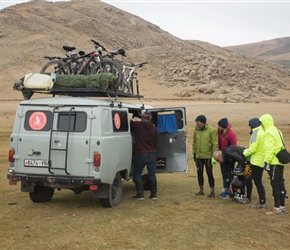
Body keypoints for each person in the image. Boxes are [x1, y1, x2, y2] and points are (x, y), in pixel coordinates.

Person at [259, 114, 287, 215]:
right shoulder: (277, 130)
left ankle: (276, 207)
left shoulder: (268, 132)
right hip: (280, 160)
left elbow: (269, 148)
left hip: (274, 161)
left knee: (274, 183)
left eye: (261, 123)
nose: (261, 125)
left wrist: (267, 161)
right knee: (280, 182)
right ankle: (282, 206)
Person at [130, 111, 158, 201]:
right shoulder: (155, 129)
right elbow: (156, 142)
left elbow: (129, 124)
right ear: (150, 118)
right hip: (152, 154)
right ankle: (153, 194)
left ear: (143, 117)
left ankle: (140, 194)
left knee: (137, 173)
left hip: (141, 154)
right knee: (152, 174)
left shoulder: (138, 126)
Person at [243, 118, 267, 209]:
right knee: (257, 181)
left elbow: (253, 148)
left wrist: (244, 152)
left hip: (256, 161)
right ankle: (261, 200)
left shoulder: (256, 133)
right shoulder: (262, 131)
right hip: (260, 160)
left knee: (258, 182)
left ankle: (262, 202)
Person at [192, 115, 218, 197]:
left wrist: (214, 155)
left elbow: (215, 143)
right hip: (198, 156)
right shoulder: (196, 130)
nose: (196, 122)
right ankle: (201, 190)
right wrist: (194, 153)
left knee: (209, 173)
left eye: (197, 121)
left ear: (202, 122)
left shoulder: (211, 130)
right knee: (199, 172)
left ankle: (212, 191)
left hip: (208, 156)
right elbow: (194, 142)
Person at [217, 118, 237, 199]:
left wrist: (230, 156)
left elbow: (234, 146)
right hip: (222, 157)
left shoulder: (231, 134)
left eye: (219, 126)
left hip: (230, 158)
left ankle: (230, 190)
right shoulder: (220, 133)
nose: (218, 127)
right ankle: (225, 189)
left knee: (229, 175)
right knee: (224, 174)